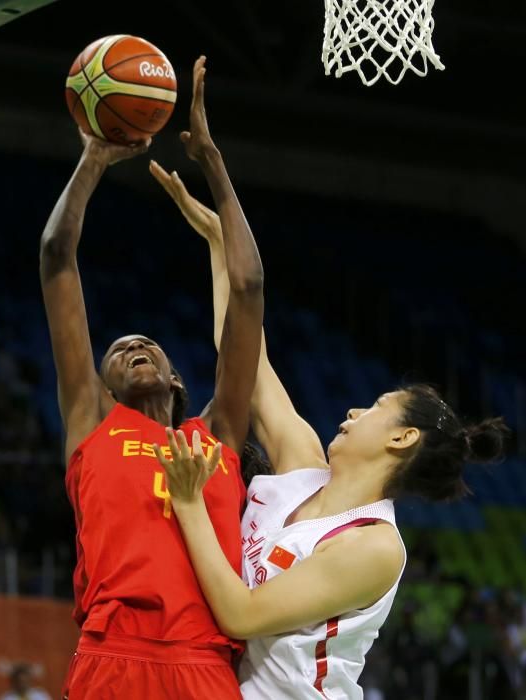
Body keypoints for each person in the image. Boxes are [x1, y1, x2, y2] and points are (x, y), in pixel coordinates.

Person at [150, 166, 508, 699]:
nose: (353, 411)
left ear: (402, 438)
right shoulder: (301, 465)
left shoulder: (375, 548)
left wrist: (188, 502)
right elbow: (248, 363)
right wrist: (220, 249)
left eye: (377, 407)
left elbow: (241, 614)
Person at [39, 57, 264, 699]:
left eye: (148, 344)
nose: (135, 344)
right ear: (104, 384)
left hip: (204, 665)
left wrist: (214, 165)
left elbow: (248, 288)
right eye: (119, 349)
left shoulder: (216, 434)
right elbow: (56, 258)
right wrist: (94, 159)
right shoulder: (93, 421)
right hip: (113, 658)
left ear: (174, 377)